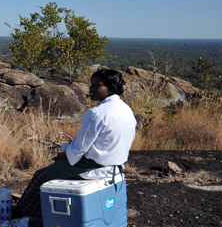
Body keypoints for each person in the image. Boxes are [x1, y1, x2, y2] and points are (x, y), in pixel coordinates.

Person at [15, 69, 137, 218]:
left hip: (93, 168)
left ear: (109, 88)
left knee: (41, 176)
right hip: (116, 167)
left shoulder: (96, 113)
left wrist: (63, 155)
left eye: (96, 86)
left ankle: (26, 215)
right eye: (91, 85)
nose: (90, 89)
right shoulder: (126, 110)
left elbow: (79, 149)